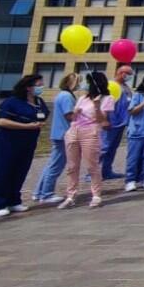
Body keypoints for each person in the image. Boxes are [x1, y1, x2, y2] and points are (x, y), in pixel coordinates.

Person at [0, 75, 48, 217]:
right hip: (8, 142)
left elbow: (43, 116)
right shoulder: (12, 102)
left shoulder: (39, 102)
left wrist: (38, 124)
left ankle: (14, 201)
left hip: (28, 142)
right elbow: (1, 121)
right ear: (28, 87)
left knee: (20, 171)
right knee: (3, 171)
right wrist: (25, 126)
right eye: (38, 85)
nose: (41, 87)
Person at [60, 72, 114, 209]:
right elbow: (73, 117)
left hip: (91, 132)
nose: (87, 85)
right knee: (72, 166)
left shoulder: (107, 98)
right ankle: (70, 195)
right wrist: (76, 113)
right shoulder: (83, 98)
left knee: (92, 165)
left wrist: (96, 106)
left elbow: (103, 120)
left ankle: (96, 195)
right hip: (74, 130)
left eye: (89, 82)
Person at [33, 72, 78, 204]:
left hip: (59, 133)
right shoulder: (66, 96)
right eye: (77, 82)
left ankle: (39, 191)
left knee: (51, 164)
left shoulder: (62, 95)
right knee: (56, 165)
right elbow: (69, 115)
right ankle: (46, 193)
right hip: (63, 134)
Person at [100, 65, 132, 181]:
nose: (129, 76)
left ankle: (107, 171)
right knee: (104, 147)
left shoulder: (126, 87)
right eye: (127, 73)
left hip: (121, 122)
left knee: (113, 148)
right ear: (120, 72)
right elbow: (104, 104)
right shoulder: (111, 85)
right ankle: (91, 173)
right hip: (110, 122)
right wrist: (104, 120)